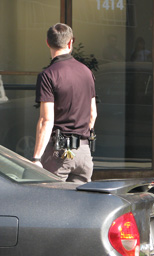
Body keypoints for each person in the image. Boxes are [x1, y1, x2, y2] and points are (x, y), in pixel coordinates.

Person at [32, 23, 97, 183]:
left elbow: (46, 120)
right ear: (70, 42)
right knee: (80, 204)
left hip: (58, 153)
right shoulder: (87, 72)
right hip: (83, 152)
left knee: (52, 203)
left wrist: (36, 158)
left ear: (47, 42)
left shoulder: (48, 75)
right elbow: (92, 114)